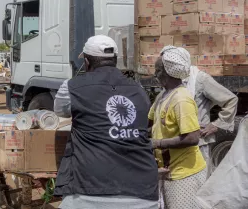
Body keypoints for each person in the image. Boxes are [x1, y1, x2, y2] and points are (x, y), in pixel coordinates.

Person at [53, 35, 158, 209]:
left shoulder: (72, 87)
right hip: (144, 191)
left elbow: (60, 110)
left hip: (91, 192)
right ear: (115, 60)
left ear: (86, 62)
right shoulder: (138, 89)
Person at [150, 46, 207, 209]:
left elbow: (192, 138)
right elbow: (150, 125)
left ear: (168, 73)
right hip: (170, 172)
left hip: (184, 175)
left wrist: (157, 143)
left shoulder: (181, 99)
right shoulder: (163, 96)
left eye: (158, 70)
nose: (155, 74)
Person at [183, 64, 238, 176]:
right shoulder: (173, 83)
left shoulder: (200, 79)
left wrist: (217, 124)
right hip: (177, 143)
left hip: (198, 142)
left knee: (198, 182)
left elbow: (231, 100)